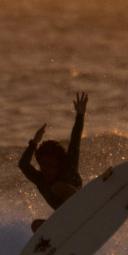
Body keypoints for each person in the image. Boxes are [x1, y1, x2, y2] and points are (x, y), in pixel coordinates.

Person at [19, 92, 87, 232]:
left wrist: (80, 115)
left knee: (57, 187)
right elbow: (23, 165)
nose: (46, 170)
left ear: (59, 164)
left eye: (51, 165)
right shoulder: (40, 179)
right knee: (36, 225)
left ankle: (82, 214)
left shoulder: (69, 167)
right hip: (65, 222)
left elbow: (75, 140)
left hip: (83, 209)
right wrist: (34, 144)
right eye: (43, 165)